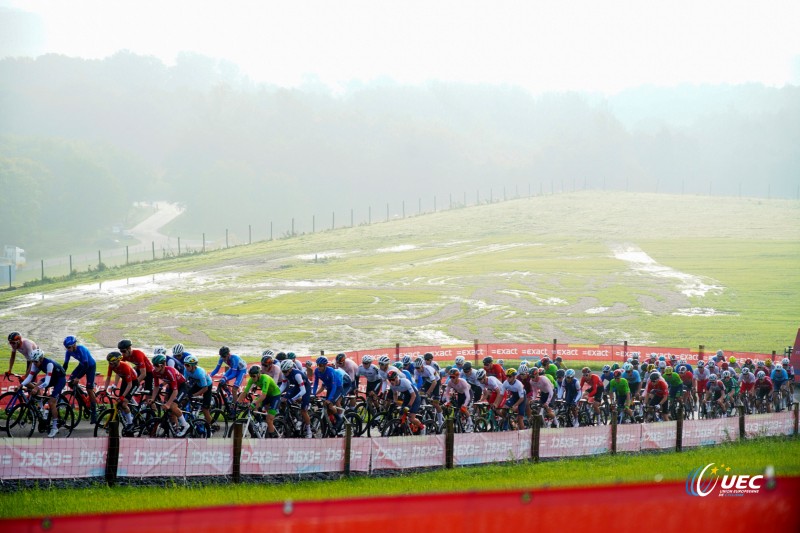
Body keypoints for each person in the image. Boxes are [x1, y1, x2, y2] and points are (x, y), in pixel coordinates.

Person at [20, 349, 66, 437]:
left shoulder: (49, 364)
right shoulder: (35, 363)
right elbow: (29, 378)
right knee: (36, 386)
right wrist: (20, 385)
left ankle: (55, 427)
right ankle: (42, 409)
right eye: (33, 361)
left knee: (51, 402)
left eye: (36, 361)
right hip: (52, 377)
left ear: (41, 359)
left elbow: (47, 382)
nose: (34, 363)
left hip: (60, 379)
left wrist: (36, 388)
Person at [147, 354, 190, 436]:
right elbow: (156, 386)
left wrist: (168, 404)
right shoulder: (155, 372)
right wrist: (153, 398)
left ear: (163, 365)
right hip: (172, 386)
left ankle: (185, 425)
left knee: (172, 406)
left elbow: (175, 391)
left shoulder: (170, 371)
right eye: (153, 365)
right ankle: (177, 429)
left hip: (182, 387)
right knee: (169, 410)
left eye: (156, 365)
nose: (154, 367)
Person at [61, 335, 99, 423]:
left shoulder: (82, 349)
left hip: (90, 366)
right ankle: (82, 397)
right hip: (82, 365)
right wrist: (61, 375)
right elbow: (65, 365)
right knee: (71, 382)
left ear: (74, 345)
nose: (68, 349)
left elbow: (86, 366)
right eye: (66, 347)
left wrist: (78, 378)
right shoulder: (68, 352)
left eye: (69, 347)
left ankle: (94, 412)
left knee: (89, 389)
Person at [238, 365, 281, 438]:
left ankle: (274, 439)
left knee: (269, 419)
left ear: (258, 374)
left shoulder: (265, 379)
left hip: (275, 396)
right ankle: (260, 423)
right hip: (267, 395)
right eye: (250, 376)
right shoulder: (252, 379)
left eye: (254, 376)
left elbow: (263, 396)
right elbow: (245, 392)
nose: (252, 378)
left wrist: (254, 404)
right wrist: (237, 402)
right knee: (254, 406)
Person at [105, 351, 138, 433]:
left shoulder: (125, 367)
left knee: (123, 403)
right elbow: (108, 378)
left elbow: (130, 385)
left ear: (118, 360)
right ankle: (130, 415)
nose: (110, 363)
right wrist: (104, 390)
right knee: (119, 404)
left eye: (112, 361)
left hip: (133, 383)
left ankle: (130, 423)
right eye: (109, 362)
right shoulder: (111, 366)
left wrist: (123, 397)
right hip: (125, 381)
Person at [279, 359, 312, 438]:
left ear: (290, 369)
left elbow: (303, 391)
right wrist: (277, 394)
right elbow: (283, 385)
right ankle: (294, 418)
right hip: (297, 386)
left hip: (305, 388)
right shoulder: (284, 373)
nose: (285, 373)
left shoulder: (297, 375)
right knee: (283, 400)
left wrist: (292, 399)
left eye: (286, 371)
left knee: (303, 410)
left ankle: (309, 430)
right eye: (283, 372)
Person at [312, 356, 345, 434]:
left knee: (329, 404)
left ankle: (339, 419)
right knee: (326, 407)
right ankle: (332, 422)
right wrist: (313, 393)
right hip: (330, 388)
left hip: (337, 387)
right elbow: (316, 383)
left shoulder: (330, 371)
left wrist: (329, 399)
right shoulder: (316, 371)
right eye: (317, 365)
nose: (318, 367)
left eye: (320, 365)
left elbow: (334, 386)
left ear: (325, 365)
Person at [182, 354, 213, 431]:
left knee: (205, 409)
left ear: (193, 366)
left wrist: (194, 395)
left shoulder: (200, 373)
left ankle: (210, 427)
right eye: (185, 364)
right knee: (186, 398)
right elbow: (184, 382)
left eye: (187, 365)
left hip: (207, 386)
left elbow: (205, 388)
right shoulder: (186, 370)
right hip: (198, 384)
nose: (185, 366)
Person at [414, 356, 443, 428]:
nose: (417, 370)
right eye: (416, 368)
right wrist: (417, 391)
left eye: (418, 368)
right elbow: (416, 382)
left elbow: (434, 383)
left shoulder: (428, 369)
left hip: (436, 382)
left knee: (436, 403)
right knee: (420, 396)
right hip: (427, 381)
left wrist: (428, 392)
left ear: (422, 366)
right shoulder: (416, 371)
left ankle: (440, 422)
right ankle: (427, 413)